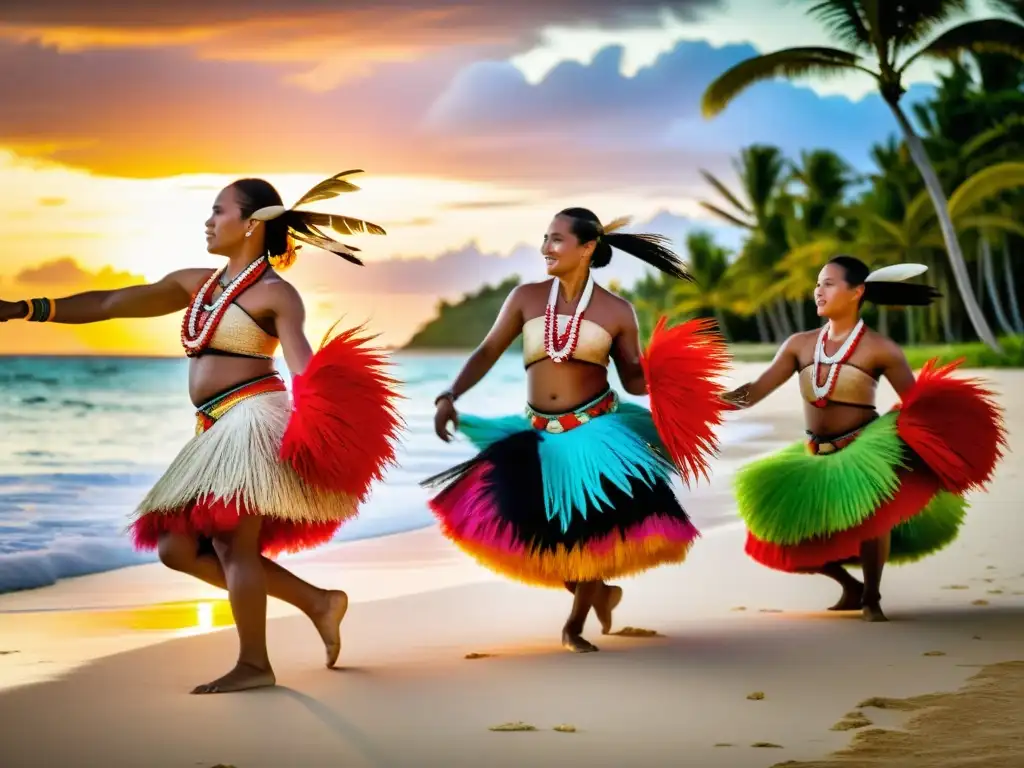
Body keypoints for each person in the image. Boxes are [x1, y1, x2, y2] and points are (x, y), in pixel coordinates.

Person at [0, 171, 403, 692]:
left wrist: (321, 422)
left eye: (219, 210)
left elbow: (301, 363)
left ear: (253, 224)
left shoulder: (276, 294)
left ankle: (255, 665)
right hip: (212, 425)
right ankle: (317, 601)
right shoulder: (198, 284)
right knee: (175, 548)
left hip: (253, 419)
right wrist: (24, 310)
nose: (209, 221)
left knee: (234, 543)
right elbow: (111, 304)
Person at [421, 208, 730, 652]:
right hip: (537, 433)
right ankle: (599, 593)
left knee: (587, 535)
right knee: (536, 528)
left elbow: (634, 380)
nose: (546, 247)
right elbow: (488, 351)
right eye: (545, 237)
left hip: (596, 433)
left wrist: (687, 389)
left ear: (586, 248)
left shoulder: (617, 311)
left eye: (557, 239)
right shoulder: (526, 298)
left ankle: (574, 626)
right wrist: (450, 394)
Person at [720, 256, 1005, 622]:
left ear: (857, 292)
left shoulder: (880, 348)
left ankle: (871, 597)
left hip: (864, 449)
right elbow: (755, 390)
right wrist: (713, 403)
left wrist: (904, 430)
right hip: (815, 453)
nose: (817, 290)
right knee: (775, 538)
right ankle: (850, 586)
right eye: (817, 282)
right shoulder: (799, 344)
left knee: (873, 519)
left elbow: (917, 401)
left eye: (828, 283)